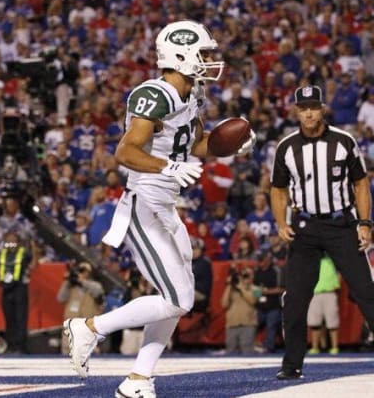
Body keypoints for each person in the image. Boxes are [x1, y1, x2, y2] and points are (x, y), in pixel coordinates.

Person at [63, 20, 255, 398]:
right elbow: (126, 151)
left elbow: (194, 146)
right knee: (178, 298)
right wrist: (168, 166)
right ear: (180, 54)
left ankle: (137, 380)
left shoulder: (192, 94)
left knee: (176, 298)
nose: (209, 61)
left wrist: (225, 148)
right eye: (203, 54)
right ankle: (89, 327)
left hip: (166, 205)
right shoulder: (155, 93)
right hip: (143, 203)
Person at [271, 85, 374, 380]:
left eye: (313, 107)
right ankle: (292, 365)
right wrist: (281, 222)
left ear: (323, 108)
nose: (309, 113)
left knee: (366, 290)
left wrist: (364, 223)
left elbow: (361, 183)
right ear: (296, 111)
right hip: (304, 228)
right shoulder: (287, 147)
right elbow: (278, 189)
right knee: (295, 299)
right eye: (303, 108)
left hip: (341, 224)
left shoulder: (344, 141)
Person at [0, 230, 36, 354]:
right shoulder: (1, 254)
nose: (10, 242)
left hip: (19, 287)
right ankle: (11, 345)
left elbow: (33, 265)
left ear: (18, 242)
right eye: (8, 240)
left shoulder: (23, 253)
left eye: (13, 240)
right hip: (6, 289)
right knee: (9, 318)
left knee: (21, 318)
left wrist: (34, 249)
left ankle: (21, 346)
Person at [57, 262, 103, 354]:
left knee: (88, 356)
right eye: (80, 271)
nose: (81, 273)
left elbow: (98, 292)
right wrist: (67, 282)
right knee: (67, 354)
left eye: (83, 271)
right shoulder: (70, 286)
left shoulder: (95, 285)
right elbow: (60, 298)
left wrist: (82, 282)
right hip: (71, 327)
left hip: (87, 327)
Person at [221, 265, 259, 354]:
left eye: (249, 275)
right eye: (244, 275)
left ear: (253, 276)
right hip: (232, 324)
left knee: (247, 351)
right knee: (230, 351)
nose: (246, 277)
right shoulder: (232, 289)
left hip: (248, 324)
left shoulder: (257, 289)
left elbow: (253, 301)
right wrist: (229, 285)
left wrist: (241, 288)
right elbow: (224, 304)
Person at [307, 255, 340, 355]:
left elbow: (339, 274)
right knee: (314, 323)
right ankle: (315, 347)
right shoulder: (312, 259)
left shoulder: (333, 258)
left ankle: (335, 347)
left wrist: (337, 285)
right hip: (315, 292)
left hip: (330, 292)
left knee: (332, 322)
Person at [253, 249, 285, 353]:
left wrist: (266, 291)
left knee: (271, 325)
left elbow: (282, 289)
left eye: (262, 260)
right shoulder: (257, 272)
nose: (260, 262)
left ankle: (269, 348)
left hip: (273, 305)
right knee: (252, 324)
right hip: (260, 306)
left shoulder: (276, 271)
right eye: (259, 260)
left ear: (268, 259)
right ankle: (250, 346)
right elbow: (255, 289)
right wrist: (258, 294)